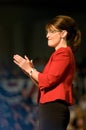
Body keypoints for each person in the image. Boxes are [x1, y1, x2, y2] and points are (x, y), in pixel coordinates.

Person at [13, 15, 81, 130]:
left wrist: (30, 70)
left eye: (51, 32)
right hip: (50, 108)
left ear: (63, 33)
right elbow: (43, 85)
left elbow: (47, 81)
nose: (47, 36)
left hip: (54, 108)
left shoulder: (63, 53)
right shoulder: (58, 54)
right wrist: (29, 71)